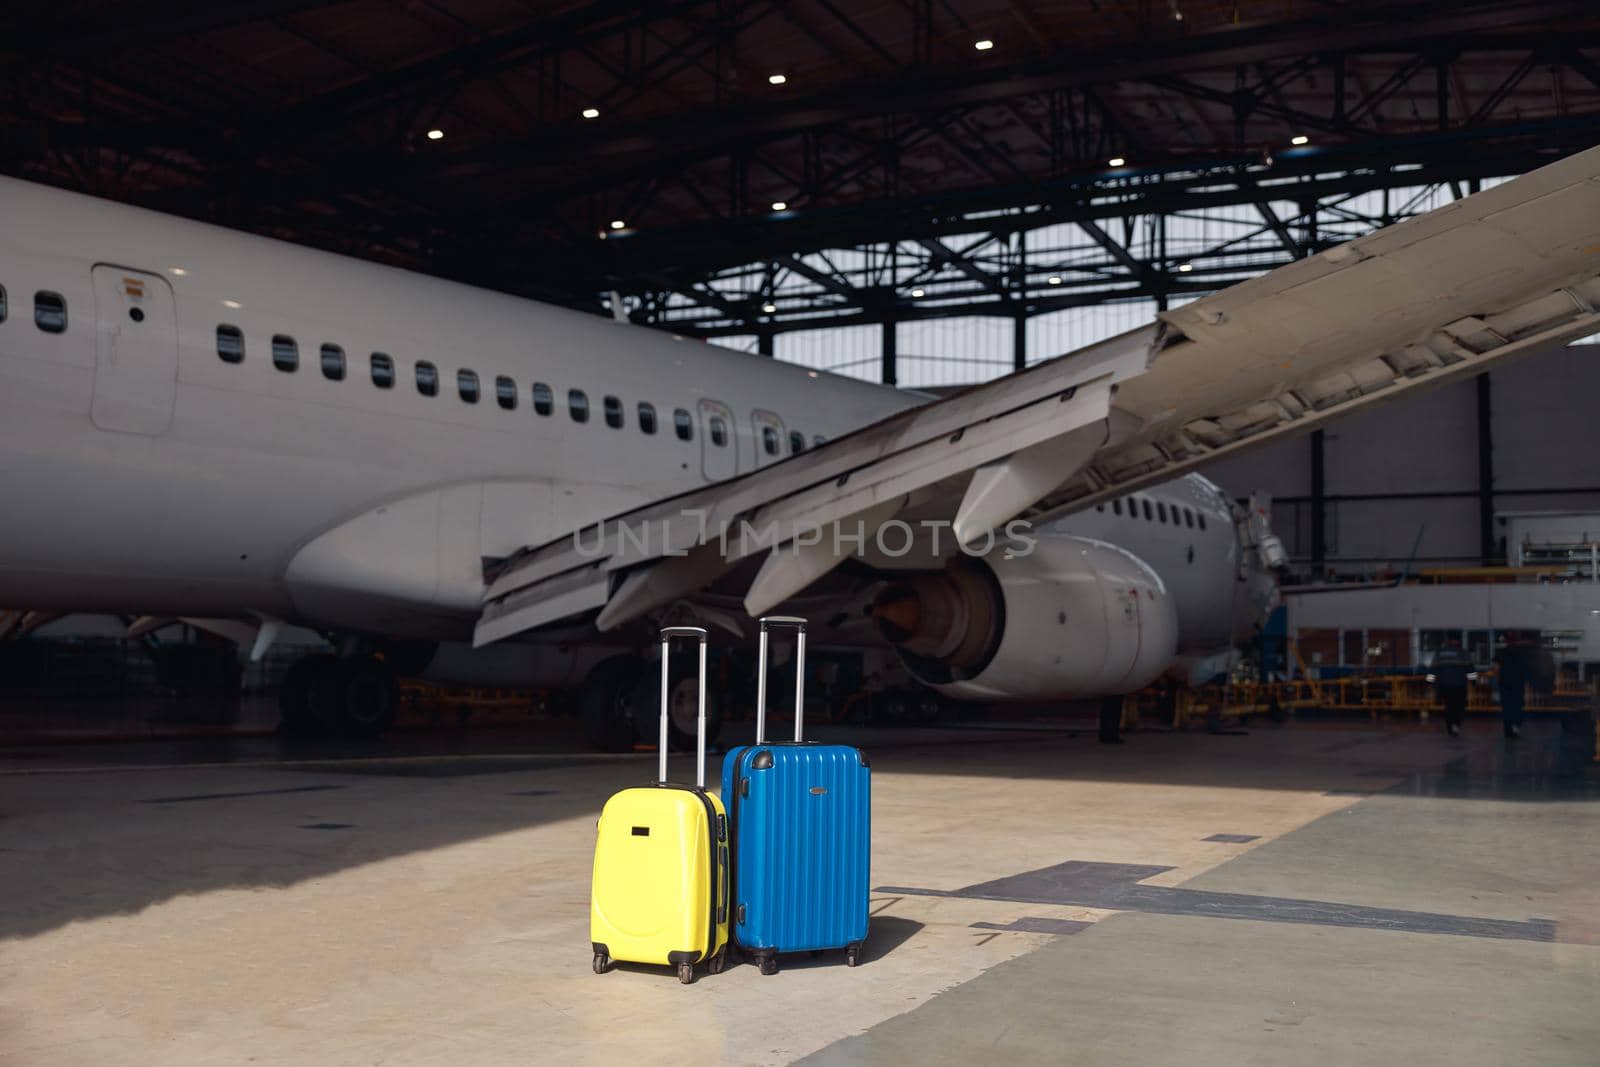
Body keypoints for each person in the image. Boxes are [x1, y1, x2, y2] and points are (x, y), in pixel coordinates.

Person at [1430, 636, 1472, 738]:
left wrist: (1430, 683)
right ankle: (1455, 725)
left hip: (1445, 685)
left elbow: (1433, 669)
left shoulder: (1440, 653)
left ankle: (1451, 727)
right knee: (1459, 707)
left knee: (1449, 707)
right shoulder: (1463, 653)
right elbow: (1470, 668)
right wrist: (1474, 682)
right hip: (1460, 685)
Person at [1495, 635, 1531, 740]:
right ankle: (1515, 726)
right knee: (1518, 706)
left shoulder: (1501, 653)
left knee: (1506, 708)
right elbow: (1527, 669)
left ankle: (1508, 730)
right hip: (1518, 684)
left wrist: (1498, 682)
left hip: (1505, 684)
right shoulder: (1522, 653)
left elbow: (1496, 669)